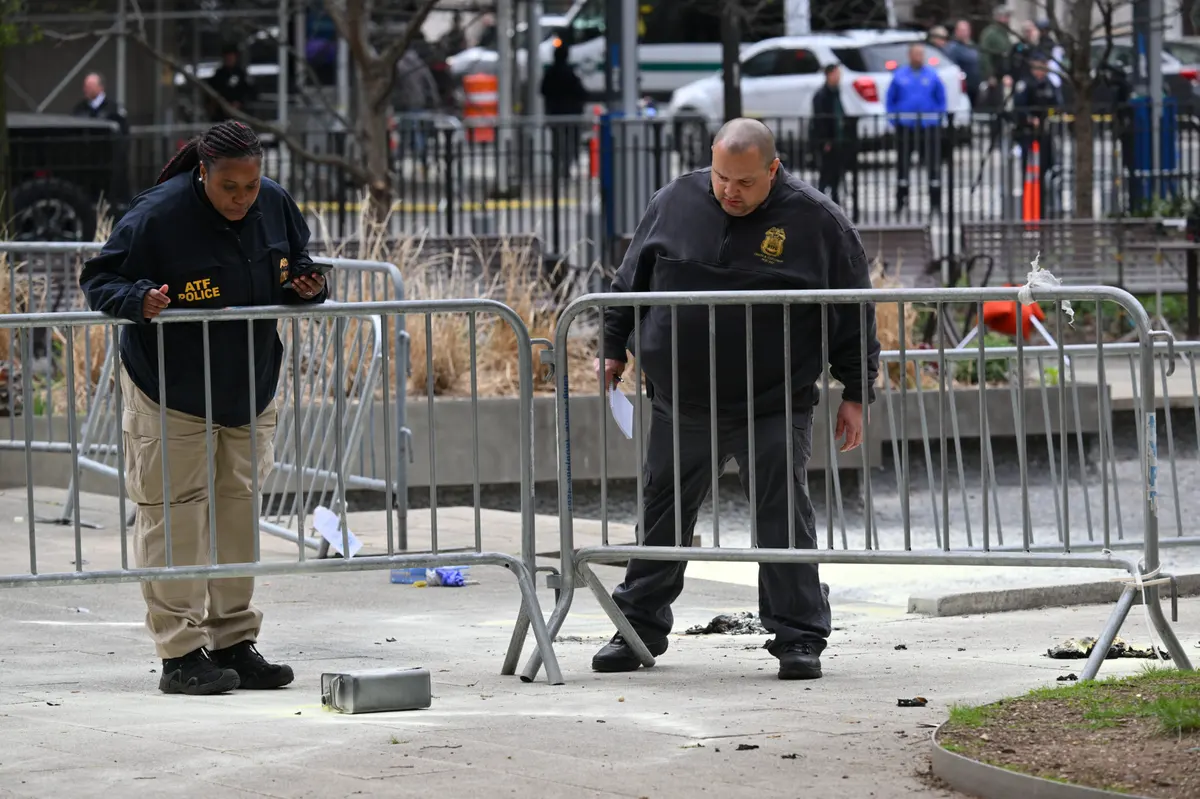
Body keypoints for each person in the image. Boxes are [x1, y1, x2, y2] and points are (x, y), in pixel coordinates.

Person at [592, 118, 880, 681]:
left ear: (773, 169)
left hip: (773, 401)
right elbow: (630, 283)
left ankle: (799, 637)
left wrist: (856, 392)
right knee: (662, 514)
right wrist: (612, 346)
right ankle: (636, 628)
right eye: (722, 177)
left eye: (746, 182)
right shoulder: (675, 200)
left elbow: (853, 311)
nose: (731, 192)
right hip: (682, 397)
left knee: (782, 518)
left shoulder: (817, 221)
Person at [78, 121, 328, 696]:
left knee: (238, 514)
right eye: (229, 187)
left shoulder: (274, 203)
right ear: (203, 173)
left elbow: (294, 267)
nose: (243, 198)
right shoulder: (157, 214)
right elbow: (100, 277)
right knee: (174, 515)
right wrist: (138, 299)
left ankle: (234, 639)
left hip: (247, 387)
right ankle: (180, 653)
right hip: (171, 389)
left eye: (252, 185)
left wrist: (310, 286)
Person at [885, 42, 947, 212]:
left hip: (928, 126)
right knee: (903, 165)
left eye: (921, 54)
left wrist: (938, 117)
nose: (919, 57)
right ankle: (901, 201)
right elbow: (890, 99)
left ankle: (935, 203)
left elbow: (941, 99)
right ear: (909, 55)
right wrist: (893, 119)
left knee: (933, 166)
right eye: (916, 54)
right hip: (906, 126)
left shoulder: (932, 75)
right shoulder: (900, 76)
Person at [1013, 57, 1062, 219]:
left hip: (1046, 133)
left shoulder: (1049, 84)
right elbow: (1019, 107)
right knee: (1030, 171)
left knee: (1047, 167)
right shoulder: (1026, 84)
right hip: (1029, 134)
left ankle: (1045, 205)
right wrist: (1029, 119)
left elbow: (1057, 103)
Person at [541, 44, 589, 180]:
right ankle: (566, 168)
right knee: (571, 144)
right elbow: (582, 93)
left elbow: (543, 90)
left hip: (554, 114)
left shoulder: (550, 73)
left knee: (557, 144)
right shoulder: (571, 73)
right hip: (571, 115)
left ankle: (557, 168)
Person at [810, 64, 855, 205]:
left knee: (836, 173)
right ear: (829, 75)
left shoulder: (836, 92)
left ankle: (834, 200)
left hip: (838, 140)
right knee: (826, 173)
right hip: (828, 140)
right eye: (836, 74)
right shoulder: (822, 95)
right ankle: (820, 201)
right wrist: (825, 141)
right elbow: (820, 120)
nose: (838, 77)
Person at [207, 45, 256, 122]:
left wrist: (240, 103)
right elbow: (211, 92)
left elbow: (250, 92)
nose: (229, 59)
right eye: (227, 56)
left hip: (239, 115)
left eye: (231, 56)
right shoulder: (218, 75)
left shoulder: (241, 74)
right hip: (221, 116)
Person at [943, 21, 982, 107]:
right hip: (961, 88)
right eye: (961, 30)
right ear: (956, 32)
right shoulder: (952, 48)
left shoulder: (972, 46)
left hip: (974, 87)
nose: (964, 33)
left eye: (966, 30)